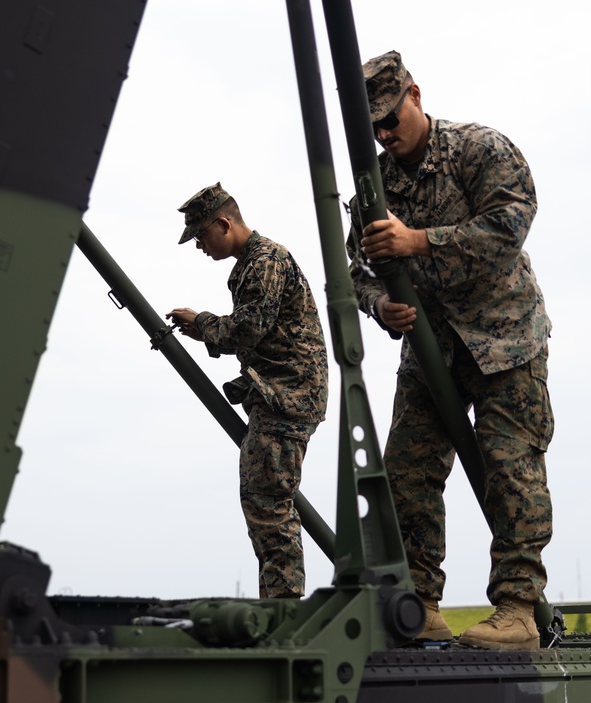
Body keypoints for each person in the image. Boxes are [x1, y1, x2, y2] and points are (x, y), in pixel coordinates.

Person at [347, 50, 553, 649]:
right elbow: (354, 268)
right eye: (374, 129)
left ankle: (516, 608)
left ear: (415, 94)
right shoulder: (373, 186)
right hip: (429, 348)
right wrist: (378, 305)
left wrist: (419, 241)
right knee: (406, 470)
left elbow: (510, 226)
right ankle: (421, 602)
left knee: (510, 468)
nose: (386, 135)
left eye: (390, 119)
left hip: (503, 340)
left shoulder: (480, 150)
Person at [167, 183, 328, 599]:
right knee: (266, 501)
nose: (199, 246)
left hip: (286, 397)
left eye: (201, 236)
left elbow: (248, 329)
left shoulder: (264, 261)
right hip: (278, 393)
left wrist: (202, 323)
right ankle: (280, 605)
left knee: (268, 503)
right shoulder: (254, 262)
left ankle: (284, 610)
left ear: (224, 223)